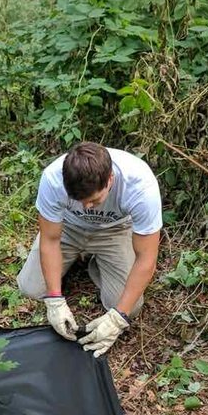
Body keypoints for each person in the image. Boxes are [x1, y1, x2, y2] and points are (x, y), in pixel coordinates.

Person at [17, 142, 162, 357]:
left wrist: (117, 318)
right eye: (79, 200)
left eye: (94, 200)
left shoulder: (140, 187)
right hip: (68, 228)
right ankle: (77, 257)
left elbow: (146, 258)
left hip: (115, 231)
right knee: (30, 287)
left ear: (110, 179)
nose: (86, 207)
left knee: (129, 307)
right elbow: (50, 239)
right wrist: (55, 300)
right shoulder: (53, 179)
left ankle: (95, 262)